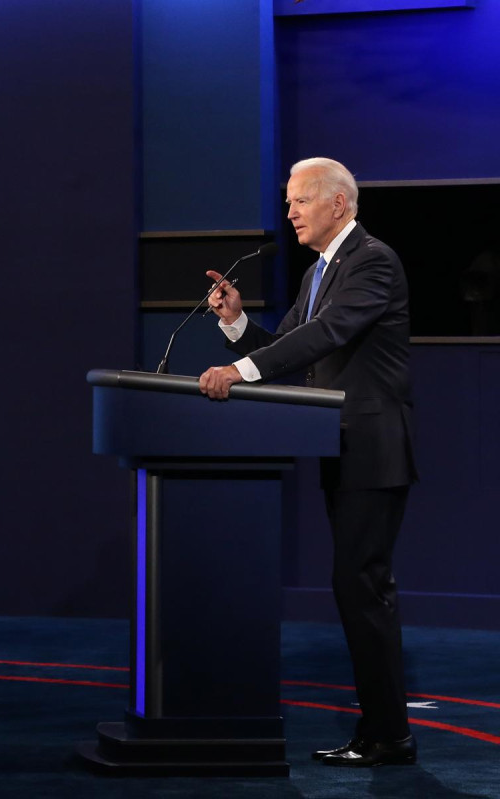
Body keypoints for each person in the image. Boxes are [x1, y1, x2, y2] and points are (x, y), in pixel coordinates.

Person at [198, 157, 416, 767]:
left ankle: (390, 735)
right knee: (354, 588)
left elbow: (327, 335)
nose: (290, 211)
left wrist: (237, 371)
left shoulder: (372, 261)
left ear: (338, 205)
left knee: (362, 588)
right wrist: (238, 325)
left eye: (299, 201)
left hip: (373, 450)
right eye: (290, 201)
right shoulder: (319, 271)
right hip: (340, 448)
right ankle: (380, 731)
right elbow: (289, 347)